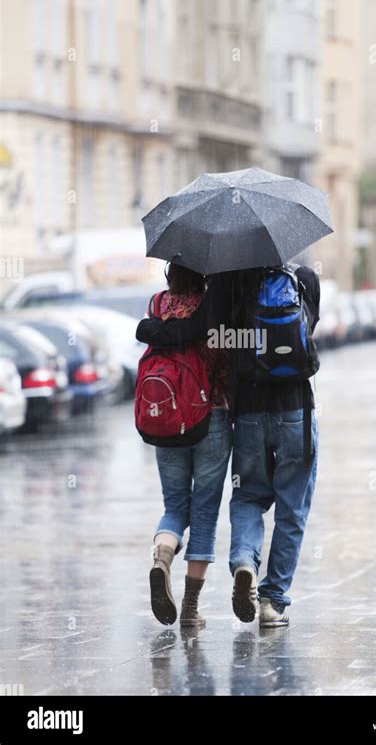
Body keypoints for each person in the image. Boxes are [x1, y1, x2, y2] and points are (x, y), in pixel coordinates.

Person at [137, 264, 320, 628]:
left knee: (246, 496)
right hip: (288, 410)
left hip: (240, 413)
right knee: (289, 510)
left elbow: (221, 341)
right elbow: (305, 333)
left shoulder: (226, 284)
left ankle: (239, 562)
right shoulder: (304, 280)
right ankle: (271, 601)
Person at [136, 263, 231, 627]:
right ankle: (190, 610)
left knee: (174, 505)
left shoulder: (156, 306)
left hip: (167, 418)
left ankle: (162, 557)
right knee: (204, 513)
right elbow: (223, 362)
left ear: (169, 276)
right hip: (211, 416)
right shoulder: (211, 308)